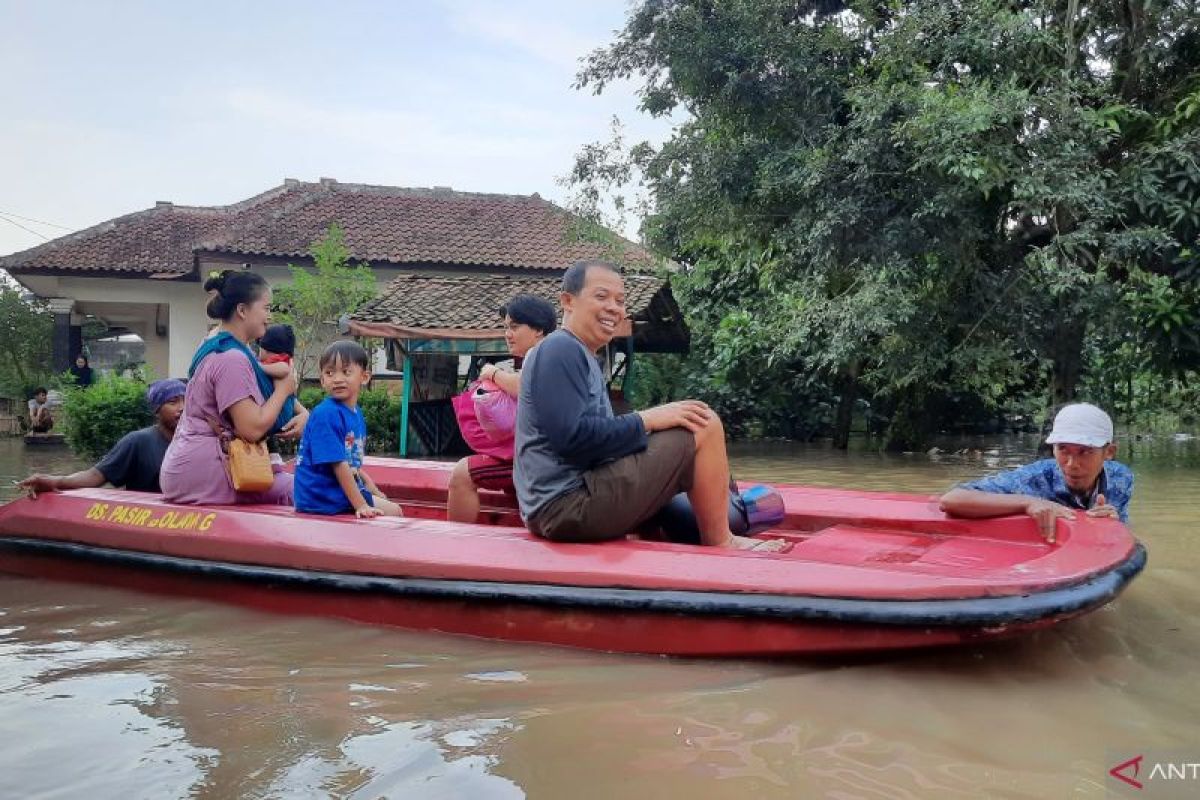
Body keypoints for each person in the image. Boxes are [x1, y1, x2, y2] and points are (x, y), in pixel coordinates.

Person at [514, 259, 785, 551]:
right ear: (568, 301)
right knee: (704, 422)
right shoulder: (560, 348)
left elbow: (592, 442)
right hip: (567, 507)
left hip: (562, 506)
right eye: (601, 296)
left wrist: (649, 432)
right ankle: (721, 540)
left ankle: (651, 531)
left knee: (670, 429)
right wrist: (647, 420)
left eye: (620, 301)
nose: (614, 308)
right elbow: (572, 439)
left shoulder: (581, 354)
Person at [160, 270, 306, 505]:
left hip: (195, 466)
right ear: (242, 310)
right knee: (312, 491)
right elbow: (251, 429)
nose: (269, 317)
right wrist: (283, 391)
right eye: (266, 308)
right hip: (205, 471)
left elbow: (257, 389)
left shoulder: (221, 344)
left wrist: (303, 413)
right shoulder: (231, 358)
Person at [939, 402, 1134, 542]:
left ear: (1108, 452)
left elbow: (1124, 534)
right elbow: (952, 499)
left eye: (1085, 452)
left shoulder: (1121, 478)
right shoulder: (1035, 478)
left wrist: (1114, 525)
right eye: (1063, 449)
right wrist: (1029, 502)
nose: (1072, 464)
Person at [447, 294, 557, 522]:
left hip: (541, 460)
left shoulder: (543, 354)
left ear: (538, 330)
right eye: (506, 327)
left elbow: (527, 388)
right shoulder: (546, 354)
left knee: (462, 474)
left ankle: (454, 547)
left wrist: (493, 374)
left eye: (515, 327)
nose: (508, 334)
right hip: (541, 454)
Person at [18, 379, 187, 496]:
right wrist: (55, 481)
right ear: (156, 410)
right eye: (173, 402)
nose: (182, 408)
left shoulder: (202, 443)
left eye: (186, 401)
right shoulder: (138, 442)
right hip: (149, 523)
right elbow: (95, 476)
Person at [294, 341, 403, 518]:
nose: (337, 379)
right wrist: (361, 504)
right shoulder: (326, 414)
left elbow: (352, 464)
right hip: (322, 496)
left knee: (389, 505)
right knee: (394, 513)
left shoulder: (354, 413)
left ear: (365, 377)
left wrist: (373, 490)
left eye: (346, 372)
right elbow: (339, 464)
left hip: (335, 491)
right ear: (322, 380)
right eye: (330, 373)